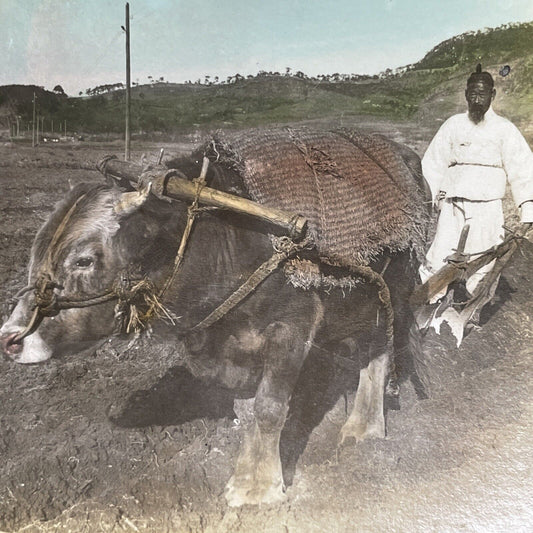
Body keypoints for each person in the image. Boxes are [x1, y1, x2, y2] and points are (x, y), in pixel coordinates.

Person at [419, 64, 533, 304]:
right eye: (472, 93)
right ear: (465, 94)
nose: (477, 99)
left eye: (482, 94)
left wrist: (528, 209)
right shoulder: (453, 125)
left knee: (483, 260)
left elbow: (523, 170)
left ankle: (471, 309)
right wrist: (427, 201)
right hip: (453, 205)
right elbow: (433, 164)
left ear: (492, 95)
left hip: (487, 208)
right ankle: (428, 306)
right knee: (438, 255)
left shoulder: (505, 130)